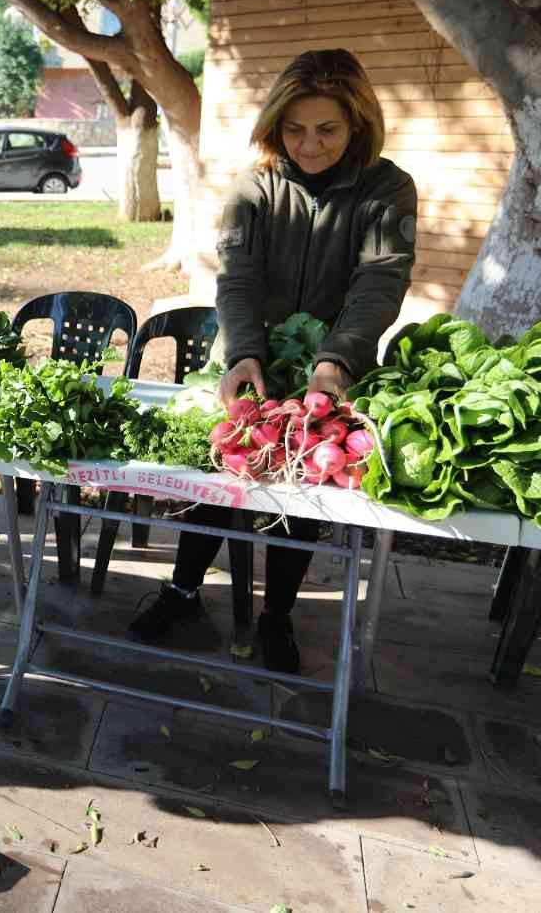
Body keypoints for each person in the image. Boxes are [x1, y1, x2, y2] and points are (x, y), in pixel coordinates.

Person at [129, 48, 418, 674]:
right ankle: (181, 593)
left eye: (327, 129)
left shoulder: (386, 188)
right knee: (223, 473)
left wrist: (336, 362)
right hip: (245, 354)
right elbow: (236, 281)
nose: (309, 144)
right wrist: (244, 354)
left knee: (305, 487)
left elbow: (380, 282)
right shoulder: (251, 188)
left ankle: (276, 615)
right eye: (295, 128)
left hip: (331, 366)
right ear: (275, 124)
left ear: (357, 124)